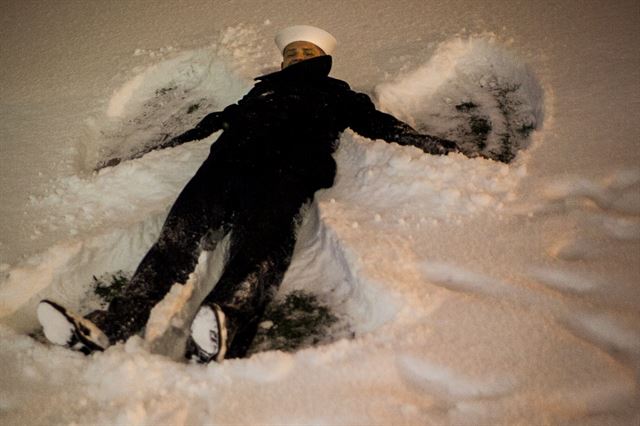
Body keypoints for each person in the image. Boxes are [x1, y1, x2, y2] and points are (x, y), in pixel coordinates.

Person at [37, 25, 459, 363]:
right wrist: (151, 152)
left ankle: (222, 327)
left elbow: (381, 126)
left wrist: (436, 146)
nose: (295, 59)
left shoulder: (337, 94)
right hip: (224, 167)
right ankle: (113, 325)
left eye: (305, 54)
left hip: (286, 172)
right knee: (174, 243)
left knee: (260, 250)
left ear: (324, 62)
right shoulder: (260, 92)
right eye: (291, 54)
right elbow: (211, 123)